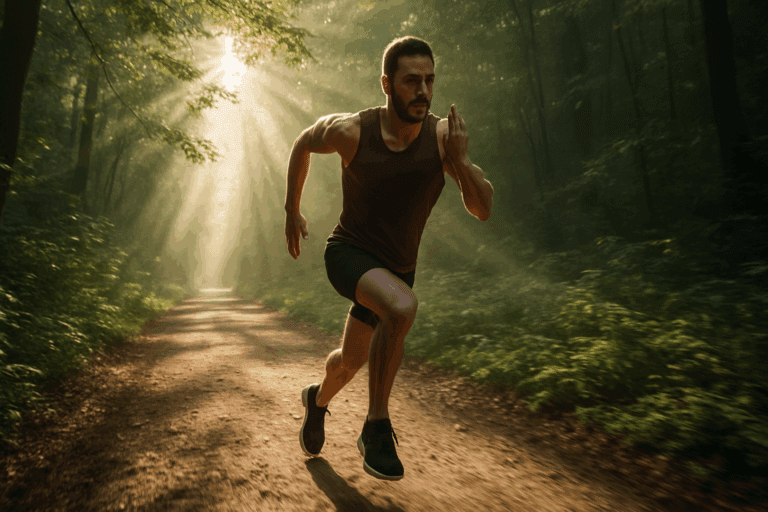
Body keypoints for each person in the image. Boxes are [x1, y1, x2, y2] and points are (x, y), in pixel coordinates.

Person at [284, 36, 493, 481]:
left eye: (429, 81)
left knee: (352, 362)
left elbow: (482, 209)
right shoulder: (352, 132)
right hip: (348, 254)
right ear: (386, 84)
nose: (422, 91)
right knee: (402, 308)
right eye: (411, 81)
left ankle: (316, 401)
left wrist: (461, 163)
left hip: (397, 271)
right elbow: (303, 142)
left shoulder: (441, 139)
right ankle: (375, 427)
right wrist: (291, 211)